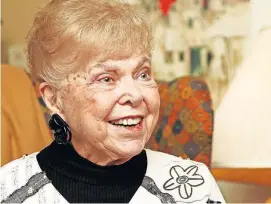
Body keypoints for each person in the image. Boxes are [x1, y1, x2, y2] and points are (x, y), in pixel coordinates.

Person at [0, 0, 225, 203]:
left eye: (143, 74)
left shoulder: (195, 188)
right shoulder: (9, 189)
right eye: (106, 78)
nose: (135, 95)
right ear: (54, 98)